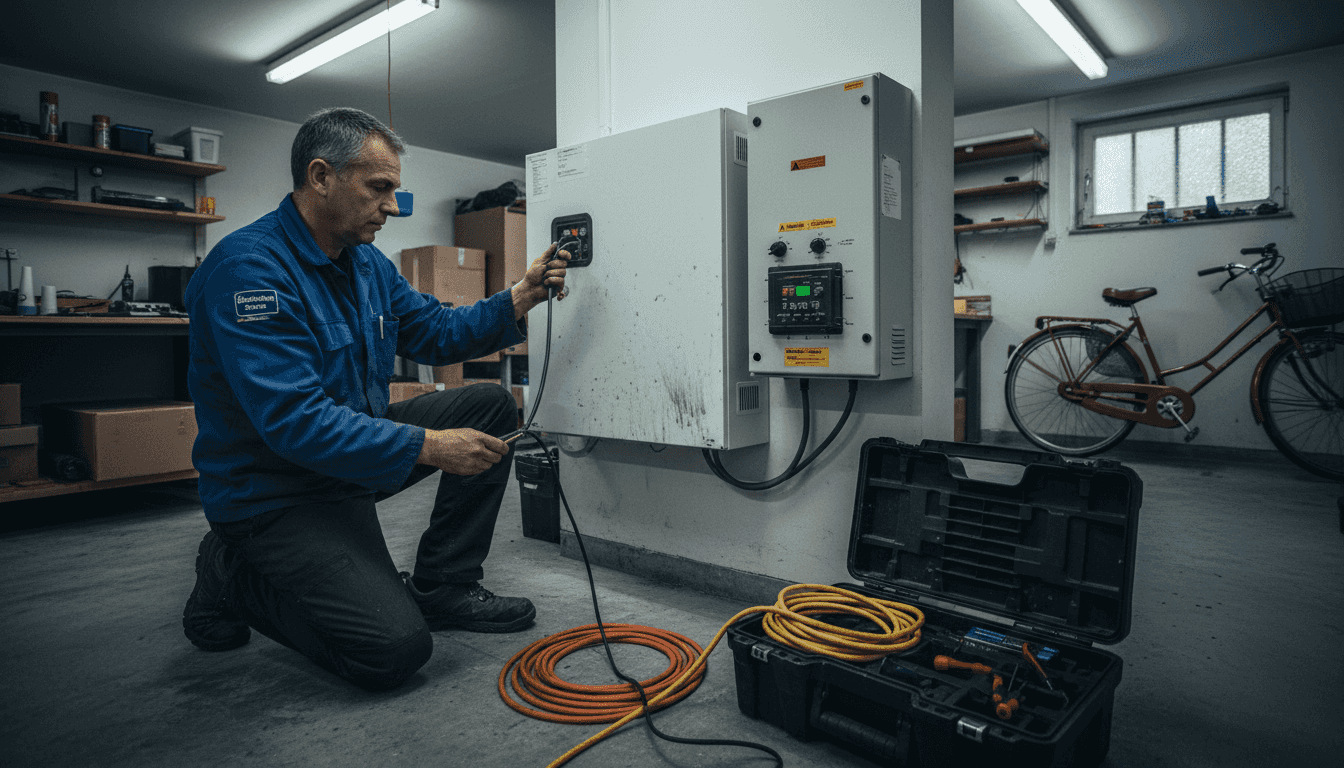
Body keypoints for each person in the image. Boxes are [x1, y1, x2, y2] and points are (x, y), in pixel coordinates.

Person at [180, 107, 569, 691]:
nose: (392, 206)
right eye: (380, 188)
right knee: (392, 651)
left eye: (395, 190)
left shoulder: (367, 265)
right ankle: (229, 569)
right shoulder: (249, 271)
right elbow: (296, 423)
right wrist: (431, 446)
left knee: (487, 402)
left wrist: (520, 296)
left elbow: (436, 331)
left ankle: (445, 586)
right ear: (320, 177)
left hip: (347, 463)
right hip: (274, 491)